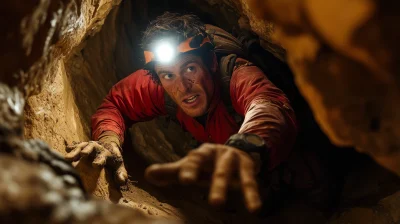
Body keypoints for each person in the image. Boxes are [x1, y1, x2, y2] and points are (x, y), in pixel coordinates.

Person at [65, 12, 298, 213]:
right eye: (168, 75)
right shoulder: (162, 85)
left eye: (190, 68)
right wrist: (108, 139)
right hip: (225, 150)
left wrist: (247, 147)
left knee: (312, 182)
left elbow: (269, 106)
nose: (182, 86)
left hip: (279, 153)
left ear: (211, 64)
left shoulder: (236, 75)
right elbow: (116, 104)